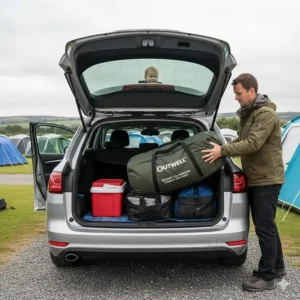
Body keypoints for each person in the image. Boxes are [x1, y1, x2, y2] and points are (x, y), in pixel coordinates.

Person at [201, 73, 285, 292]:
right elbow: (242, 140)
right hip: (259, 177)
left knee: (265, 228)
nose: (236, 97)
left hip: (266, 179)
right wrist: (222, 147)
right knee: (269, 226)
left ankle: (266, 277)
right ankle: (278, 267)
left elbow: (254, 143)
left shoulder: (265, 114)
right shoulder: (251, 114)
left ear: (251, 91)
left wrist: (224, 150)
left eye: (238, 93)